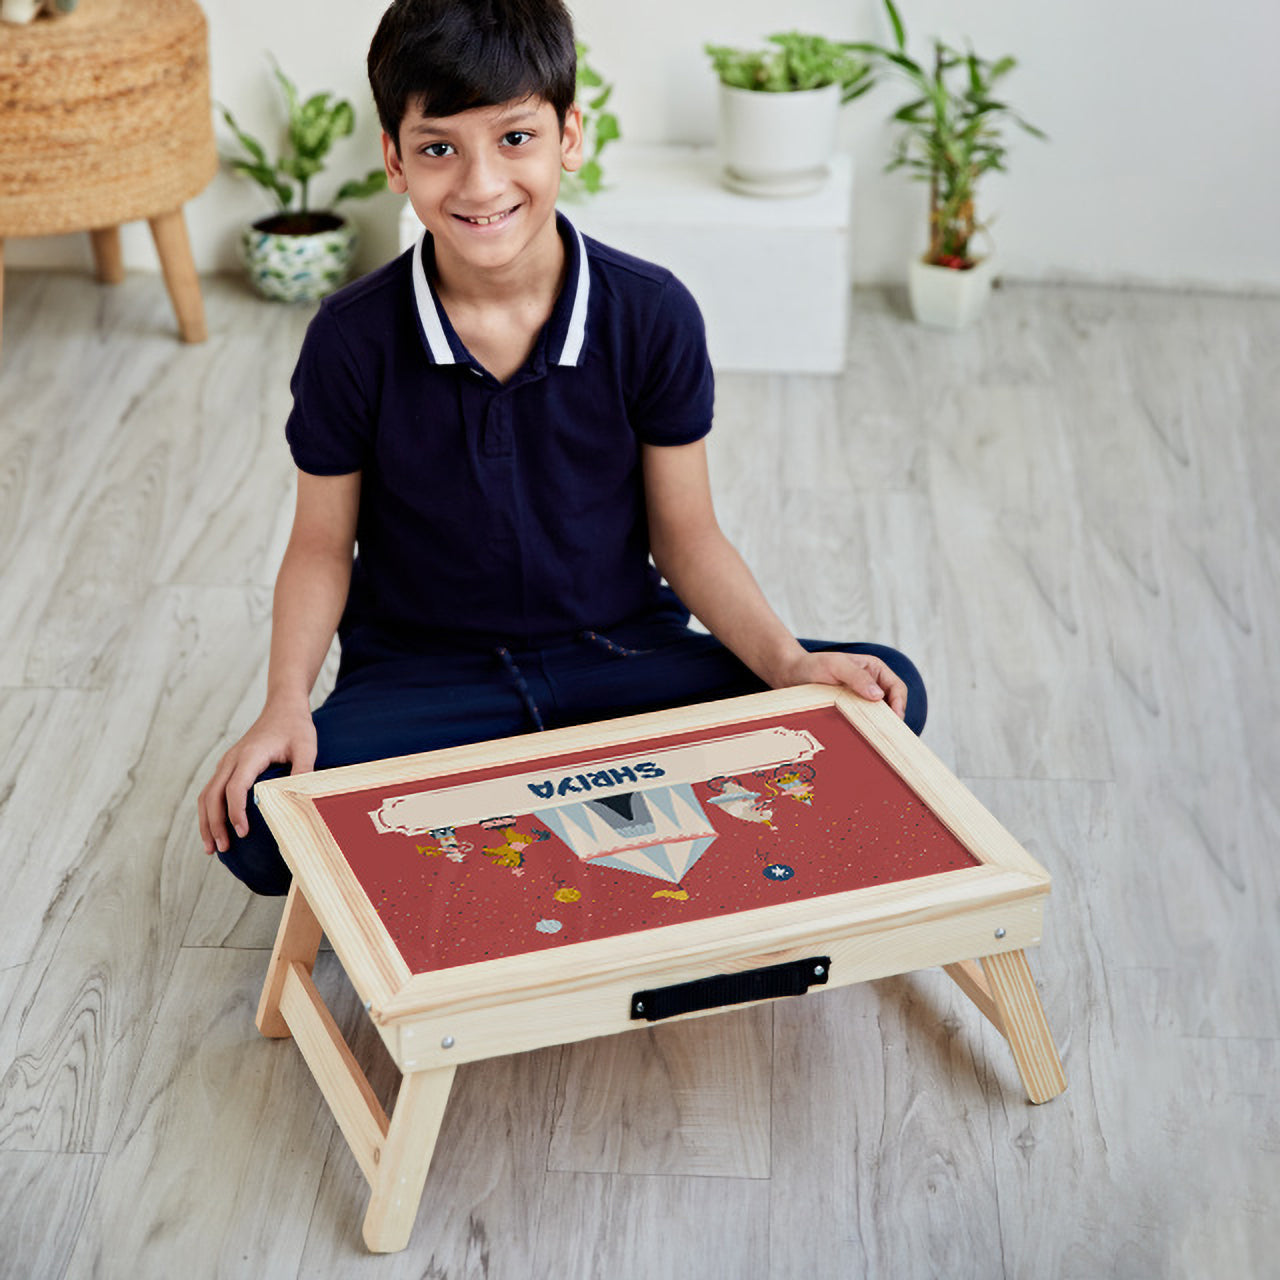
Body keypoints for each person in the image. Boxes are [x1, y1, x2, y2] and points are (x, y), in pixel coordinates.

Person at [197, 0, 927, 895]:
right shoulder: (351, 338)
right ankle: (590, 821)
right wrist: (282, 704)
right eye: (438, 148)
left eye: (514, 138)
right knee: (260, 821)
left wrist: (786, 665)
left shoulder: (651, 313)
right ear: (393, 158)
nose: (478, 184)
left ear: (568, 135)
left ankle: (512, 828)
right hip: (429, 682)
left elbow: (687, 535)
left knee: (879, 695)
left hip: (619, 660)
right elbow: (319, 545)